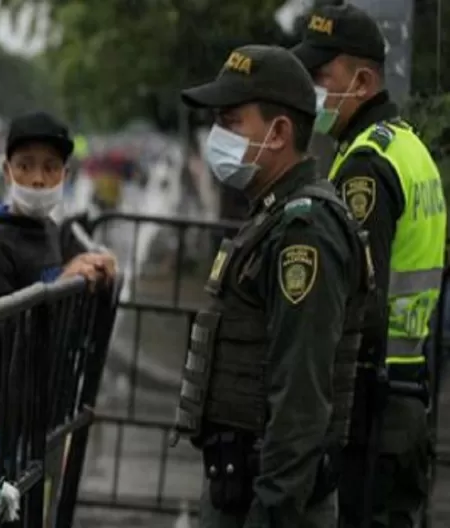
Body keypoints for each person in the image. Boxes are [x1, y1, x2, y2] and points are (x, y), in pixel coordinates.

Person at [174, 45, 373, 527]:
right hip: (241, 491)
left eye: (231, 120)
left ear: (280, 132)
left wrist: (271, 512)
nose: (217, 135)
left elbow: (301, 397)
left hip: (271, 503)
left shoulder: (305, 232)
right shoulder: (272, 217)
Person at [292, 5, 447, 526]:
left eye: (320, 77)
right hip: (405, 392)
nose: (310, 90)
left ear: (360, 80)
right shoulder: (407, 147)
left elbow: (359, 298)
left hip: (371, 405)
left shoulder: (365, 164)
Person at [0, 111, 118, 509]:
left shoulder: (49, 230)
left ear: (65, 174)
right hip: (1, 422)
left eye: (50, 168)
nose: (37, 179)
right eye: (25, 166)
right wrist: (63, 282)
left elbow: (63, 289)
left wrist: (94, 276)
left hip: (43, 415)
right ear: (6, 170)